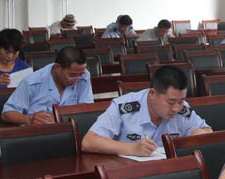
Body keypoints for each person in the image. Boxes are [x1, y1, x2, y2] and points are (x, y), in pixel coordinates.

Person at [82, 65, 212, 156]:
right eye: (171, 102)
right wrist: (132, 148)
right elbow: (88, 142)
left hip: (170, 173)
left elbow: (207, 130)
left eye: (181, 101)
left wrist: (200, 134)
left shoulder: (183, 108)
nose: (176, 108)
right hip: (131, 175)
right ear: (152, 94)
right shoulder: (124, 107)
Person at [2, 46, 93, 126]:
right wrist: (29, 120)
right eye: (72, 75)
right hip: (41, 133)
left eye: (81, 74)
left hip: (72, 130)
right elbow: (6, 113)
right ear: (58, 68)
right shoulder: (31, 82)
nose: (77, 79)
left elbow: (87, 108)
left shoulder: (84, 75)